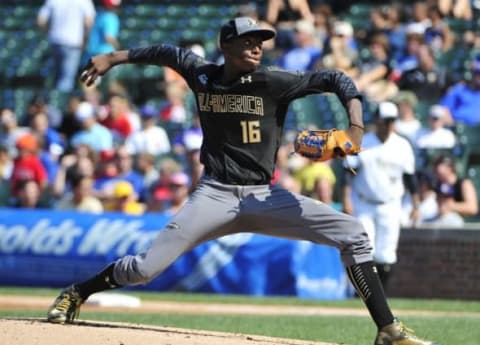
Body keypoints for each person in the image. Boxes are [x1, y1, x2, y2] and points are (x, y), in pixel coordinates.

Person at [46, 17, 438, 345]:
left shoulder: (274, 81)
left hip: (265, 196)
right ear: (226, 45)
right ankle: (77, 292)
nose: (258, 47)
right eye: (248, 41)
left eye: (261, 41)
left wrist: (354, 128)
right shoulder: (201, 73)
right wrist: (113, 57)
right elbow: (163, 53)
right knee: (145, 269)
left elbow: (338, 79)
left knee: (353, 233)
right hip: (214, 194)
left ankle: (387, 329)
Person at [342, 102, 420, 293]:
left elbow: (410, 178)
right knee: (363, 250)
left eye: (391, 121)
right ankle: (359, 294)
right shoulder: (362, 142)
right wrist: (346, 199)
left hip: (391, 204)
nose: (387, 125)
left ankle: (380, 295)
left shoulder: (402, 145)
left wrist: (416, 205)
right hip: (364, 202)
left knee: (386, 254)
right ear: (377, 121)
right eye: (384, 121)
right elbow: (348, 172)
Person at [37, 0, 96, 93]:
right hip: (73, 42)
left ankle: (53, 101)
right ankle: (60, 104)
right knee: (66, 79)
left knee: (55, 77)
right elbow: (89, 22)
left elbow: (40, 21)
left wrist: (50, 33)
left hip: (55, 41)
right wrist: (85, 40)